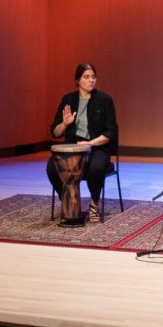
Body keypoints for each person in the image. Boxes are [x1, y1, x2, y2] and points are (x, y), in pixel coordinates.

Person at [47, 63, 118, 223]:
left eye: (93, 76)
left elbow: (110, 133)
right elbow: (55, 132)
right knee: (52, 167)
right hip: (72, 148)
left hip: (97, 148)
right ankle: (68, 199)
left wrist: (90, 143)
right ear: (77, 80)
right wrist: (65, 124)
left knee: (96, 167)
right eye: (86, 77)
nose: (91, 80)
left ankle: (94, 203)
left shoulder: (104, 100)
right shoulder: (68, 99)